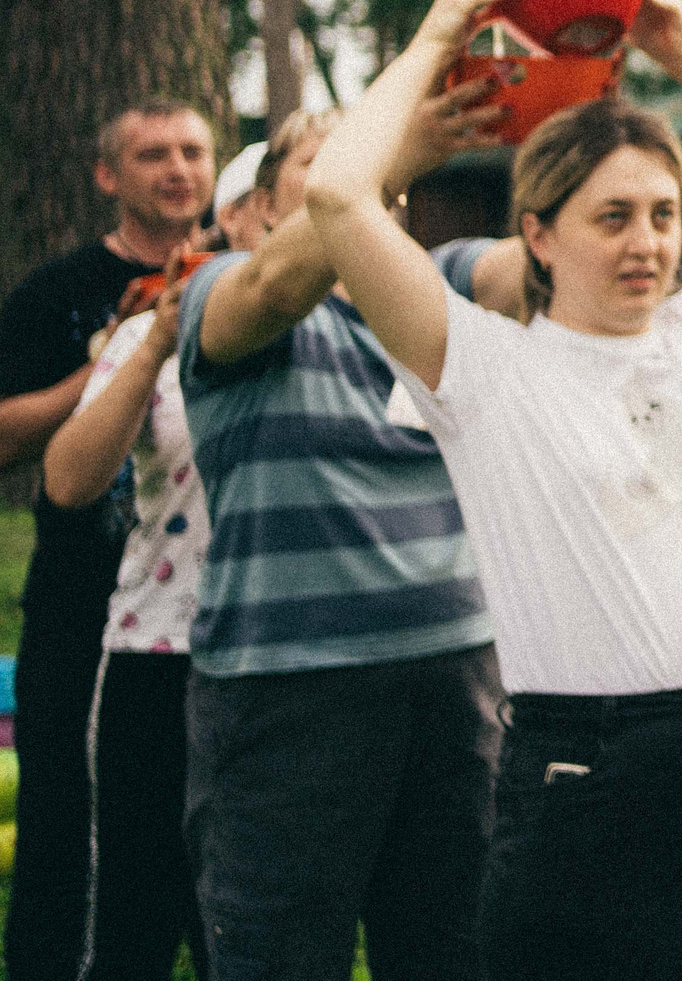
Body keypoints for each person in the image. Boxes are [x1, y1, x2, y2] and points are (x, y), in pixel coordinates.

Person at [305, 0, 682, 980]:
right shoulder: (482, 371)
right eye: (612, 218)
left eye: (662, 215)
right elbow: (340, 195)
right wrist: (439, 29)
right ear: (539, 236)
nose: (646, 242)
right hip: (581, 776)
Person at [177, 91, 517, 981]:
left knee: (455, 950)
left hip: (456, 685)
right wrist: (387, 157)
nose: (366, 190)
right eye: (334, 168)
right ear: (257, 209)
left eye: (379, 171)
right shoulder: (222, 291)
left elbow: (551, 266)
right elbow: (276, 281)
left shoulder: (441, 287)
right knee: (280, 959)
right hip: (289, 697)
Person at [0, 99, 214, 981]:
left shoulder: (241, 283)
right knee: (67, 831)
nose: (176, 168)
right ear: (106, 175)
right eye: (152, 152)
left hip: (200, 617)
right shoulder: (54, 292)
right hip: (81, 599)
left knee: (205, 848)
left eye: (192, 150)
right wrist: (116, 360)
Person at [42, 141, 263, 980]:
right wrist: (152, 346)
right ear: (235, 216)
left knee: (242, 931)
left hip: (286, 667)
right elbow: (68, 479)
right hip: (159, 657)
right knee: (137, 919)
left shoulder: (356, 337)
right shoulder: (148, 331)